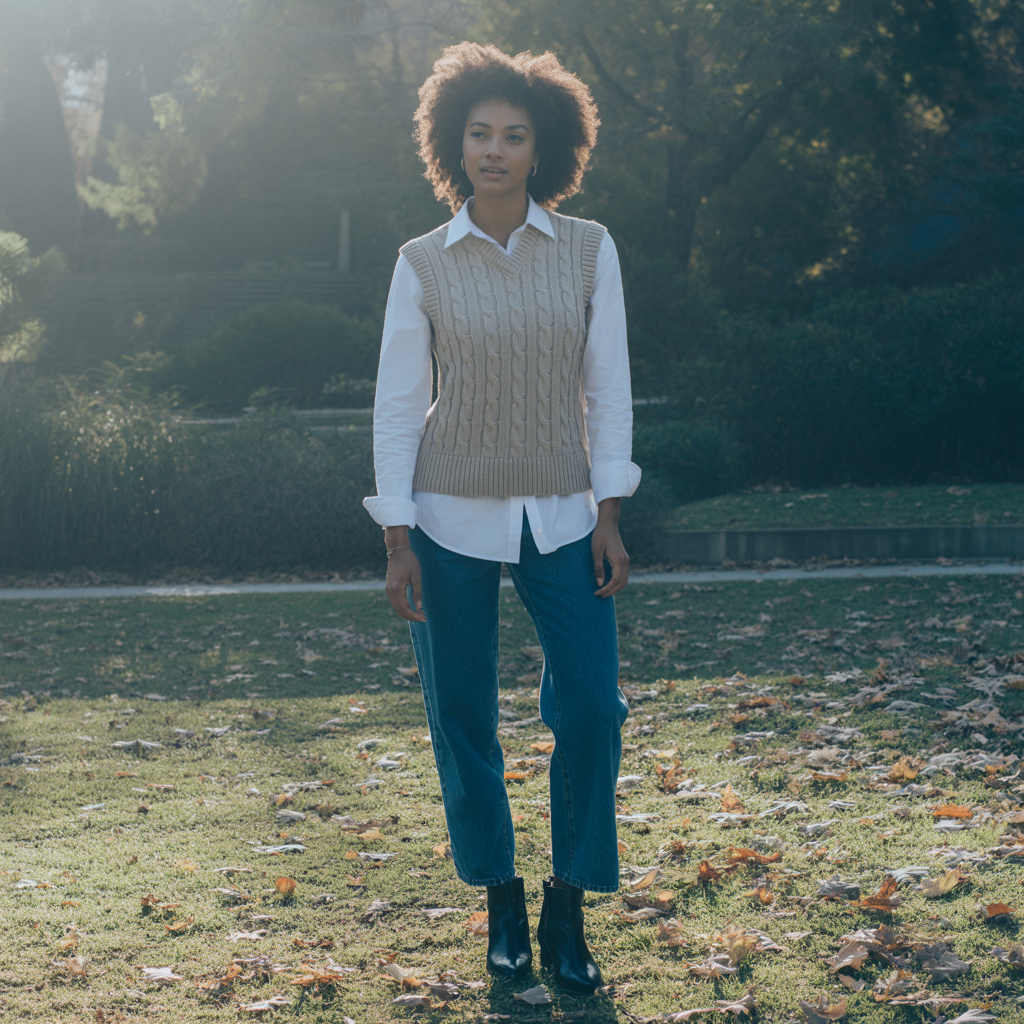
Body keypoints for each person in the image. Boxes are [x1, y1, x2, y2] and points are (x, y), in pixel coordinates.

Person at [362, 41, 640, 994]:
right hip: (445, 521)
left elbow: (608, 389)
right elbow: (400, 404)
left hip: (564, 516)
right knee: (462, 718)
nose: (494, 149)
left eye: (514, 135)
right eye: (479, 133)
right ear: (453, 143)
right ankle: (502, 905)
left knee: (593, 707)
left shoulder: (591, 250)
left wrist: (610, 512)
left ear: (543, 147)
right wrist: (397, 535)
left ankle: (569, 906)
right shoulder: (421, 263)